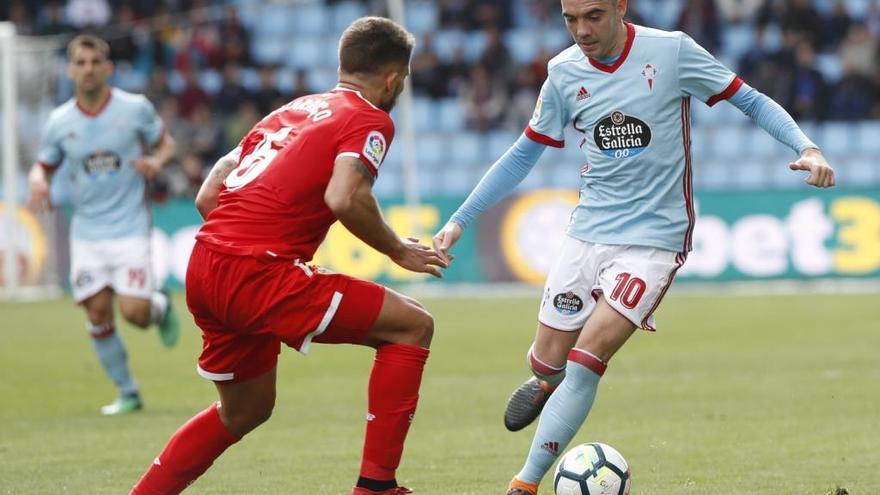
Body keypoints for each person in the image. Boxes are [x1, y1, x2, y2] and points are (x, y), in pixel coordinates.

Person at [431, 1, 836, 494]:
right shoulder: (562, 72)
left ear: (622, 6)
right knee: (548, 361)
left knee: (588, 358)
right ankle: (544, 382)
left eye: (594, 16)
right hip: (589, 232)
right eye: (570, 19)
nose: (581, 30)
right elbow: (523, 154)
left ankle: (525, 483)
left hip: (656, 238)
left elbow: (749, 100)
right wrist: (459, 220)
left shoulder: (672, 52)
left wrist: (806, 147)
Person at [130, 17, 446, 495]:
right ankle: (376, 488)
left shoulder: (293, 109)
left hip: (206, 263)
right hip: (259, 272)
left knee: (245, 410)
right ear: (393, 79)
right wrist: (399, 249)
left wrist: (243, 239)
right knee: (413, 325)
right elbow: (345, 197)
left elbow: (210, 188)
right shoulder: (370, 117)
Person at [28, 34, 180, 416]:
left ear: (108, 68)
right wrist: (37, 180)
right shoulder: (60, 122)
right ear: (70, 69)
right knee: (97, 312)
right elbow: (43, 165)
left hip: (130, 227)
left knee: (135, 314)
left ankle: (158, 306)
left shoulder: (134, 109)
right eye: (81, 62)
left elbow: (166, 144)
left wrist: (156, 163)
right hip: (87, 232)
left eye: (95, 62)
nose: (88, 69)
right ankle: (128, 391)